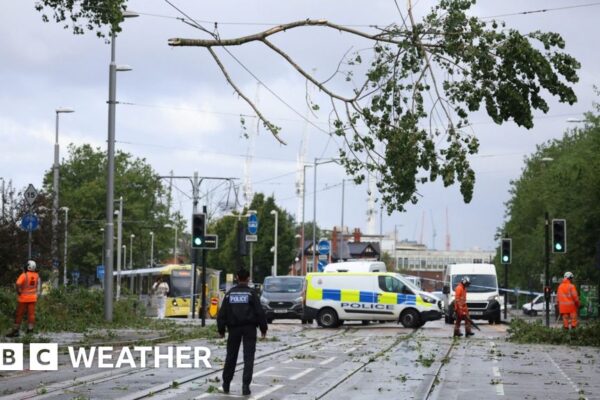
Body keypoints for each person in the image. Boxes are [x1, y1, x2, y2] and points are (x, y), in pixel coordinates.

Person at [217, 268, 268, 396]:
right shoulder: (251, 294)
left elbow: (222, 313)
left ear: (237, 277)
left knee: (231, 357)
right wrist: (263, 328)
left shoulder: (229, 294)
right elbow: (259, 312)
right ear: (248, 278)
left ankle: (226, 384)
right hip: (249, 329)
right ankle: (245, 386)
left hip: (233, 329)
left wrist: (221, 329)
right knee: (248, 357)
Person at [7, 260, 40, 337]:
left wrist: (19, 291)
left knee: (19, 314)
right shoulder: (37, 275)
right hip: (33, 298)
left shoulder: (24, 275)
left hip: (23, 298)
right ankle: (30, 330)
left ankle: (15, 331)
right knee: (31, 315)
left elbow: (18, 283)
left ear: (28, 266)